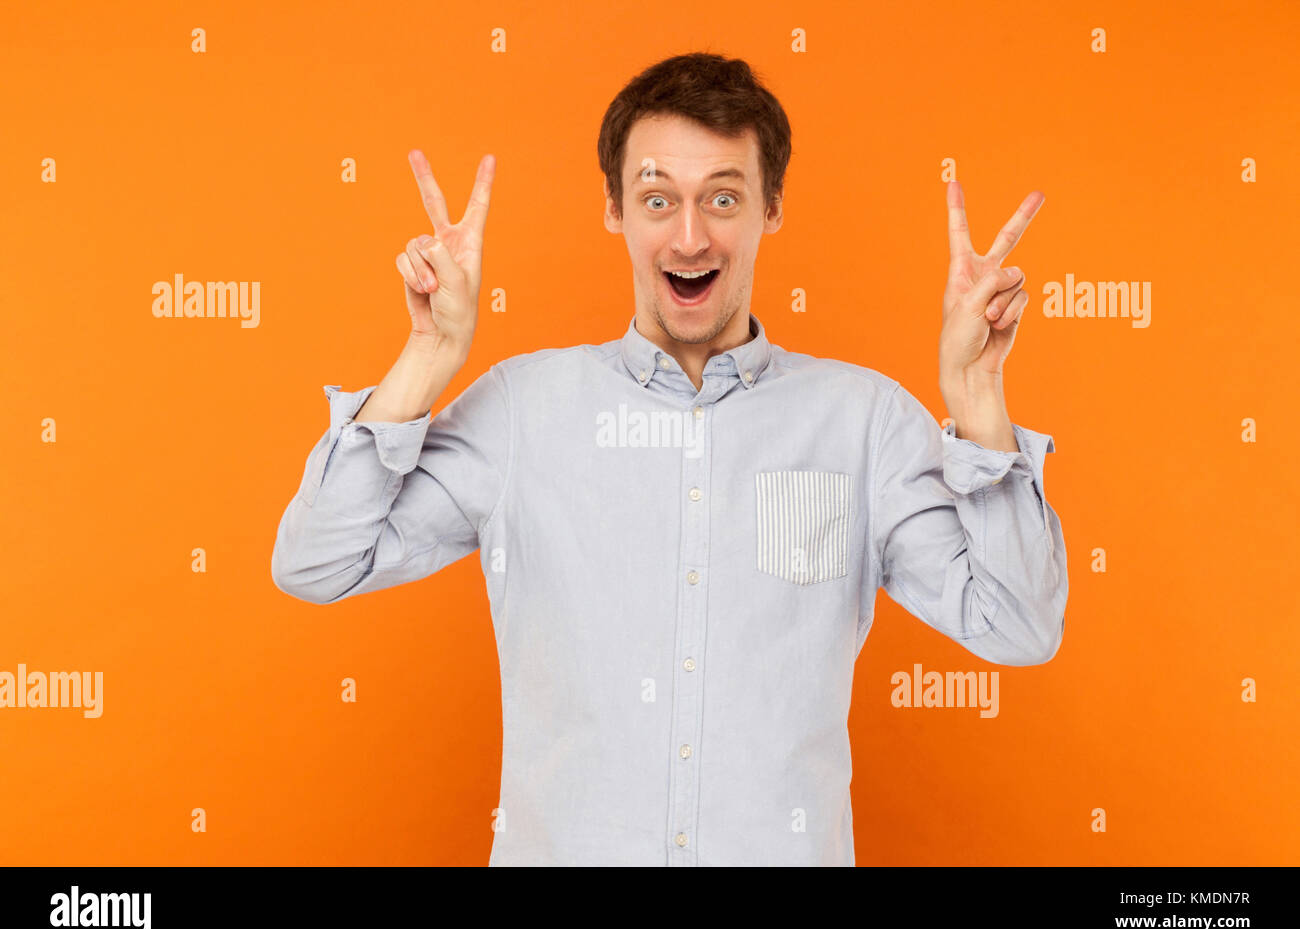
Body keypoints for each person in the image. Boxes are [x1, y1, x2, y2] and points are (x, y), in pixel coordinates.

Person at [271, 52, 1067, 866]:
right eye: (659, 200)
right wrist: (427, 358)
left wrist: (977, 405)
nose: (691, 236)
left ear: (773, 207)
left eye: (724, 198)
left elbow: (1021, 627)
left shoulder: (861, 423)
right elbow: (316, 562)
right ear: (616, 209)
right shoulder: (521, 411)